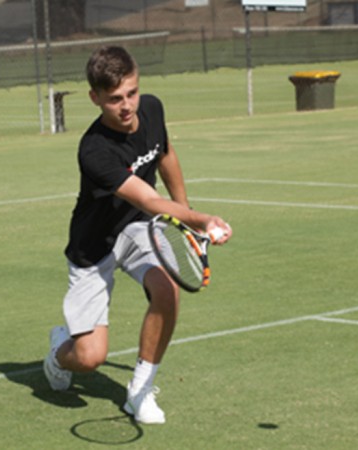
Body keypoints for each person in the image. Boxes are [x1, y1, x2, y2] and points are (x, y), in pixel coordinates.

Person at [43, 46, 232, 425]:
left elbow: (165, 155)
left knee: (167, 289)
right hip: (93, 246)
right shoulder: (94, 150)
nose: (127, 106)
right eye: (114, 99)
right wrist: (199, 219)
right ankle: (57, 352)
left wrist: (185, 225)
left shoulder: (152, 108)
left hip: (135, 228)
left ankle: (140, 391)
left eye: (132, 92)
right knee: (89, 358)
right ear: (95, 98)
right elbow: (148, 199)